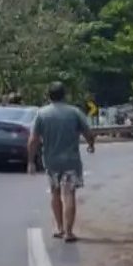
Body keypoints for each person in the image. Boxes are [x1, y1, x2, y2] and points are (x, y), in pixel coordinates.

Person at [28, 82, 96, 243]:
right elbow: (88, 132)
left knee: (55, 193)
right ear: (64, 95)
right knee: (69, 194)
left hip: (51, 162)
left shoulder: (41, 114)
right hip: (71, 161)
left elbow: (33, 139)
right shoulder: (74, 112)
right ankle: (69, 232)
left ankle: (59, 227)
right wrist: (91, 144)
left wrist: (30, 161)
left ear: (49, 96)